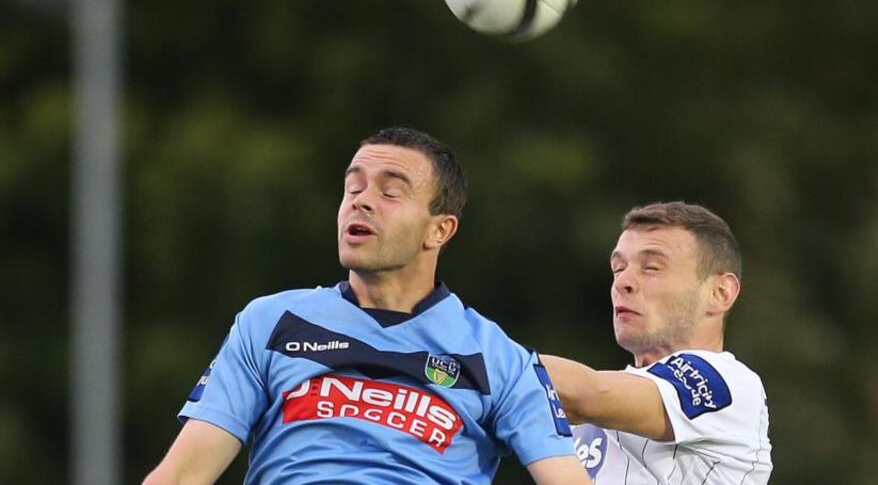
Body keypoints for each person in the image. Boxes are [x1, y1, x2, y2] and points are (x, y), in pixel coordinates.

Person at [144, 127, 589, 485]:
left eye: (390, 192)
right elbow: (184, 474)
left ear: (439, 231)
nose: (361, 200)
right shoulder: (271, 323)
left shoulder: (500, 360)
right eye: (353, 187)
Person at [542, 202, 772, 484]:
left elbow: (588, 394)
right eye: (618, 267)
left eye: (651, 268)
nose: (623, 282)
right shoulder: (585, 414)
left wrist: (479, 352)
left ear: (720, 292)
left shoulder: (729, 384)